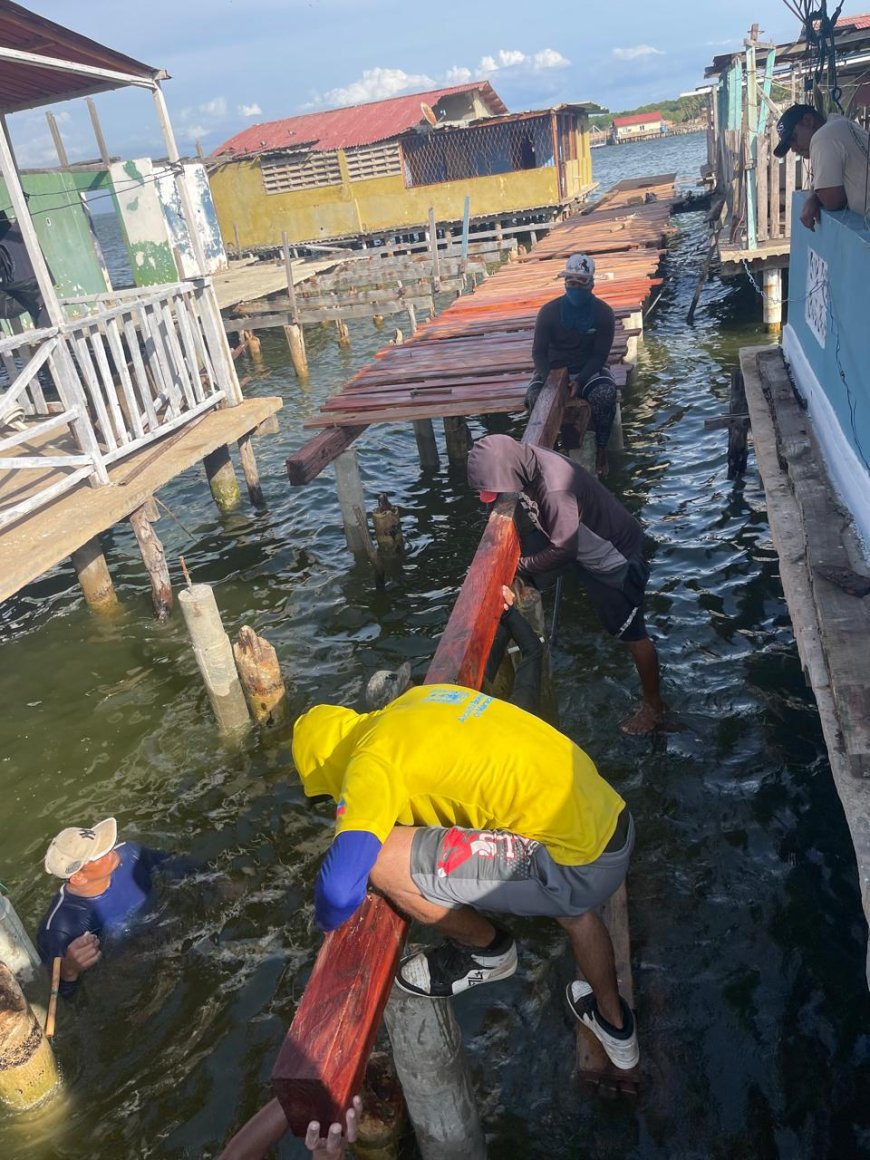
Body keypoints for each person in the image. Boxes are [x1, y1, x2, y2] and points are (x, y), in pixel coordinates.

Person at [292, 680, 639, 1071]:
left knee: (381, 859)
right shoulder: (415, 699)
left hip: (581, 865)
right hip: (610, 819)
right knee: (573, 911)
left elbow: (338, 889)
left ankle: (486, 951)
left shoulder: (369, 764)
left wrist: (323, 925)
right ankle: (616, 1026)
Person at [467, 432, 664, 735]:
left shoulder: (555, 489)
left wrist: (516, 566)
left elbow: (564, 549)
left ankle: (654, 708)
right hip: (588, 554)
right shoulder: (526, 460)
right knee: (615, 625)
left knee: (632, 634)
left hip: (614, 560)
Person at [36, 816, 166, 998]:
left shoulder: (131, 854)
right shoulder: (59, 929)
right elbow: (60, 999)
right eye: (100, 853)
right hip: (129, 970)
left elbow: (178, 866)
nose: (112, 849)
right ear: (78, 877)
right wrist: (69, 970)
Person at [525, 252, 618, 476]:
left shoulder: (604, 314)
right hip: (553, 371)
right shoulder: (548, 312)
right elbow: (538, 353)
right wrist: (551, 380)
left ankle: (602, 450)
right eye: (570, 282)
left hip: (588, 370)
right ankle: (548, 456)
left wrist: (580, 380)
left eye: (580, 282)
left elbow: (599, 356)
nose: (574, 287)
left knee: (605, 394)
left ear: (591, 284)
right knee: (535, 399)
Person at [773, 103, 870, 230]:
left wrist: (813, 200)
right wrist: (815, 197)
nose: (794, 148)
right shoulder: (840, 123)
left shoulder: (823, 137)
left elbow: (832, 200)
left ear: (808, 121)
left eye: (793, 138)